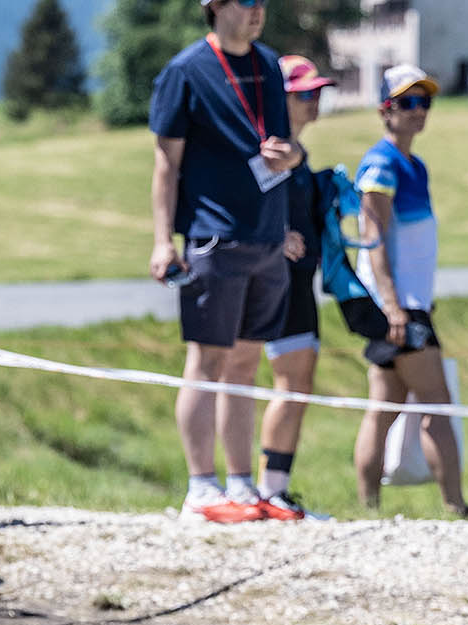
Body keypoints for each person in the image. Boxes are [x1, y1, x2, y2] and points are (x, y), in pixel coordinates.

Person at [148, 0, 302, 524]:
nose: (259, 10)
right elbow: (165, 164)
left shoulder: (270, 64)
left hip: (267, 236)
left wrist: (294, 156)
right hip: (214, 238)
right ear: (214, 6)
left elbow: (288, 145)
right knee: (207, 360)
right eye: (247, 0)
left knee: (246, 363)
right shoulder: (185, 71)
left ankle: (240, 483)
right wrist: (163, 241)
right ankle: (200, 488)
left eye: (263, 1)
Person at [341, 64, 468, 516]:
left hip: (408, 304)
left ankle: (368, 507)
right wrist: (394, 307)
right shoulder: (381, 164)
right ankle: (455, 506)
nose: (418, 111)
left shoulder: (414, 165)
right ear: (385, 110)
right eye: (407, 102)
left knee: (384, 407)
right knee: (438, 405)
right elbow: (372, 239)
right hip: (398, 308)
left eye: (425, 101)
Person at [256, 53, 334, 522]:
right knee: (289, 382)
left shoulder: (296, 151)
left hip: (302, 280)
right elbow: (246, 199)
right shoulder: (271, 147)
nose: (314, 101)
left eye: (318, 92)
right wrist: (275, 235)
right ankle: (267, 491)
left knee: (300, 381)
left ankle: (278, 488)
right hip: (278, 282)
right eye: (304, 94)